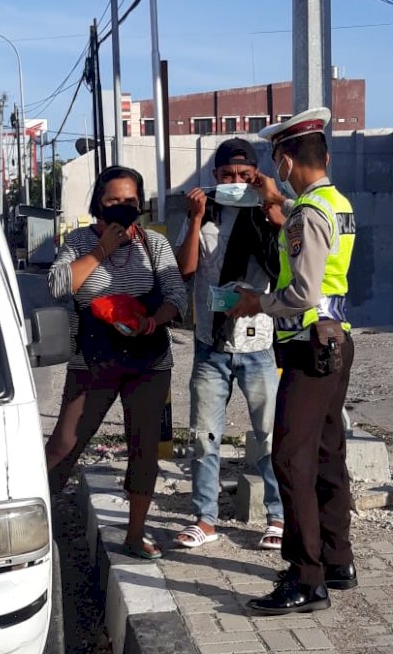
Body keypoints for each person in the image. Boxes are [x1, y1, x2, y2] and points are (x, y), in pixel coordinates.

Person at [228, 108, 357, 615]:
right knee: (327, 452)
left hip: (309, 347)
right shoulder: (335, 202)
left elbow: (302, 291)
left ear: (285, 158)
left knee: (289, 458)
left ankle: (306, 578)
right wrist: (278, 206)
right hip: (336, 341)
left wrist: (254, 302)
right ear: (322, 157)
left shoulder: (307, 214)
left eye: (277, 159)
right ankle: (337, 560)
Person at [45, 164, 187, 561]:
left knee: (144, 449)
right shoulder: (78, 241)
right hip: (92, 362)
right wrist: (102, 250)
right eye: (113, 201)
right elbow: (58, 286)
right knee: (63, 445)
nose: (123, 208)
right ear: (98, 204)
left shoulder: (153, 246)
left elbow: (177, 294)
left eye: (130, 201)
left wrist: (150, 321)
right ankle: (38, 527)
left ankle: (135, 534)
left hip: (148, 360)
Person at [174, 137, 284, 551]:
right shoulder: (205, 214)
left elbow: (286, 264)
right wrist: (197, 216)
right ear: (214, 177)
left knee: (270, 435)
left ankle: (278, 517)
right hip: (211, 344)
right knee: (204, 434)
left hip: (258, 343)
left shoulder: (268, 211)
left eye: (244, 176)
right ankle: (205, 518)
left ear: (256, 176)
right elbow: (186, 268)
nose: (235, 182)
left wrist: (271, 207)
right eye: (227, 175)